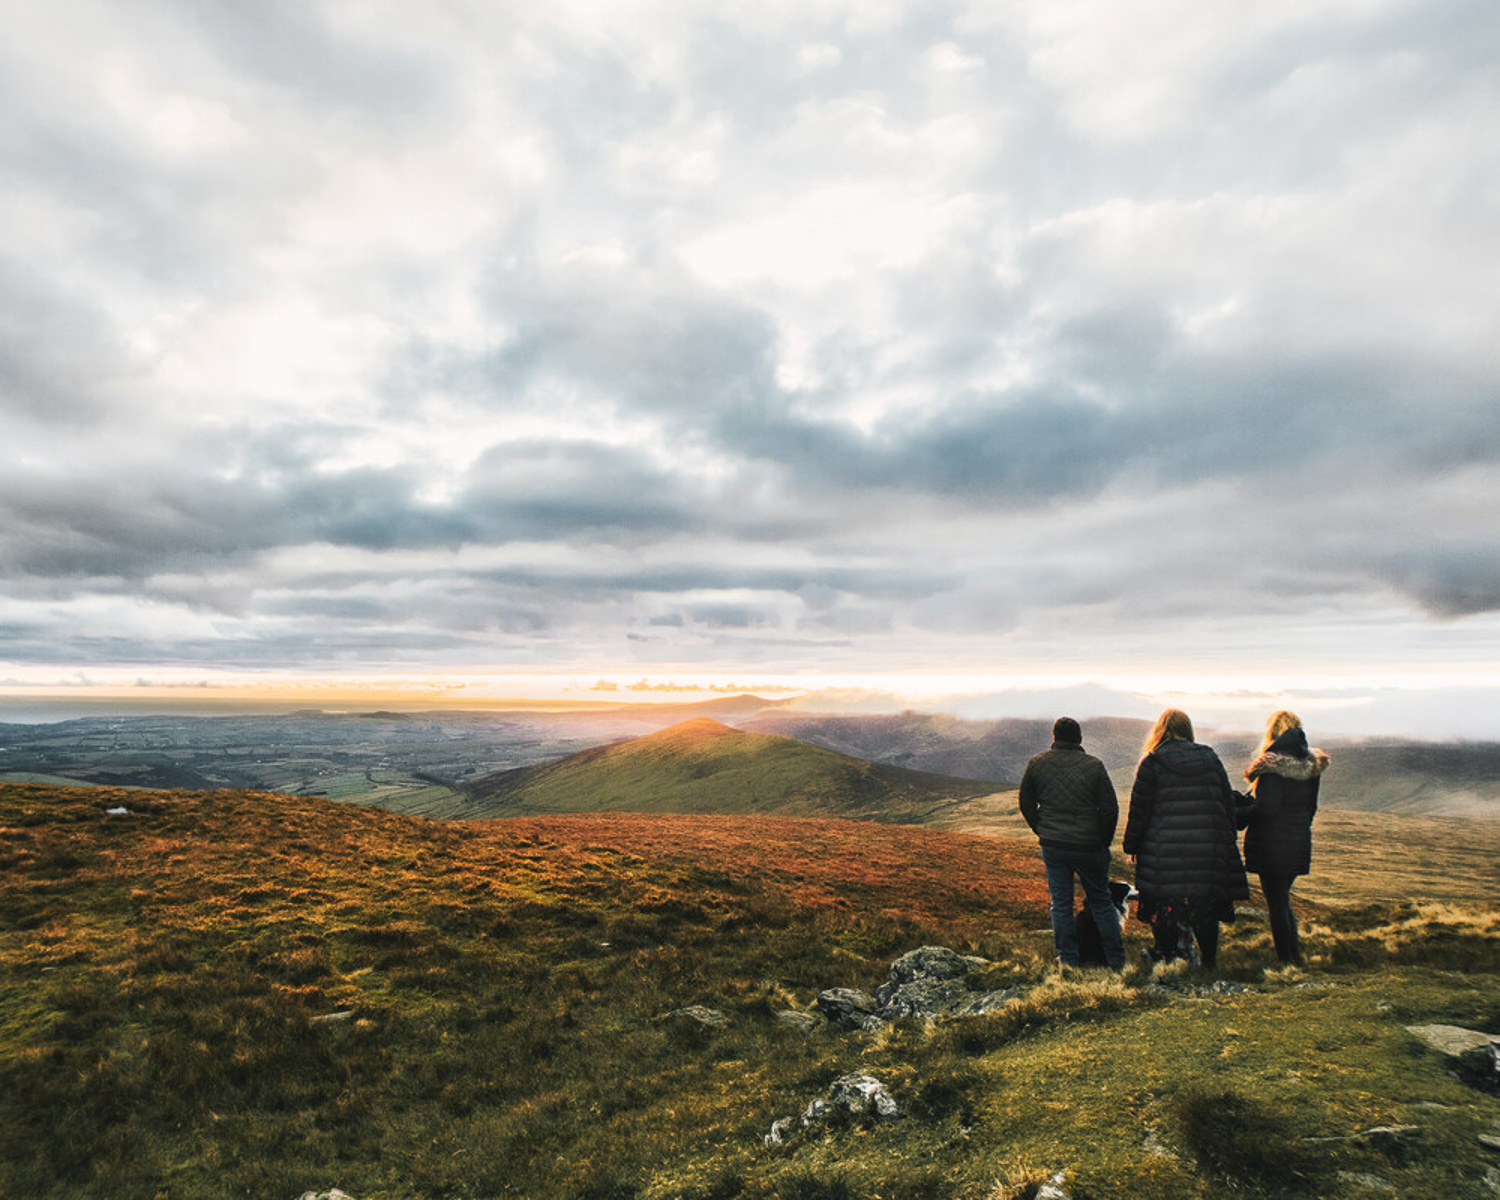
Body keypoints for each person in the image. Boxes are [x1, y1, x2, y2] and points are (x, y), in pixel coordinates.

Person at [1123, 709, 1249, 969]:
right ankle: (1210, 964)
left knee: (1165, 908)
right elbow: (1226, 803)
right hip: (1206, 851)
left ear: (1160, 730)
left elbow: (1140, 811)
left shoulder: (1152, 762)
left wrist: (1131, 846)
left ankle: (1169, 963)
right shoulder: (1210, 758)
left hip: (1164, 853)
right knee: (1205, 910)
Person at [1018, 717, 1126, 970]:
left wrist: (1042, 830)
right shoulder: (1094, 766)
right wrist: (1103, 841)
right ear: (1079, 739)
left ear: (1054, 737)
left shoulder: (1037, 763)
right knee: (1101, 901)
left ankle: (1067, 960)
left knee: (1061, 903)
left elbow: (1026, 803)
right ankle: (1117, 961)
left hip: (1054, 845)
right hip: (1090, 845)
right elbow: (1110, 808)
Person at [1243, 711, 1329, 965]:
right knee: (1283, 901)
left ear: (1273, 732)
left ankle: (1286, 961)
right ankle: (1294, 956)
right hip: (1298, 841)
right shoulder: (1310, 767)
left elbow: (1267, 808)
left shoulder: (1272, 765)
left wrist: (1242, 811)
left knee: (1277, 904)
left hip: (1272, 844)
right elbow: (1310, 808)